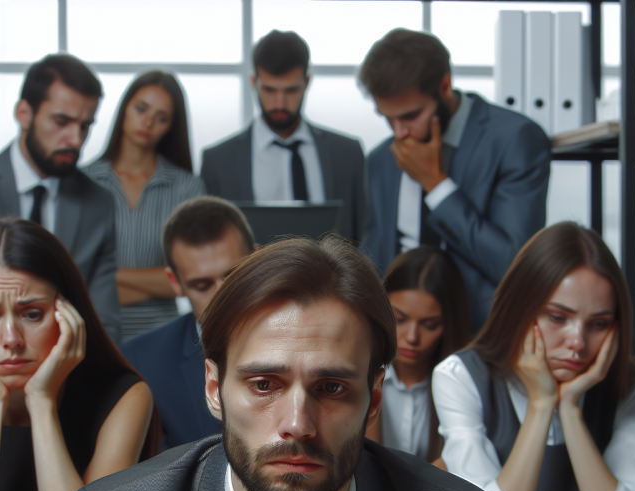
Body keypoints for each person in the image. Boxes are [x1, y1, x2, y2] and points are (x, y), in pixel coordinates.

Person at [57, 235, 514, 491]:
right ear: (214, 390)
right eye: (264, 385)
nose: (298, 423)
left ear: (374, 399)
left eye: (331, 388)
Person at [432, 222, 635, 491]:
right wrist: (542, 405)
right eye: (558, 318)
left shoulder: (628, 386)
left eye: (598, 324)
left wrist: (570, 407)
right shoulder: (460, 376)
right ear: (520, 309)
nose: (578, 343)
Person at [359, 29, 551, 332]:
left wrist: (436, 185)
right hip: (397, 343)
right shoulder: (382, 158)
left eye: (410, 115)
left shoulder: (515, 139)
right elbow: (374, 257)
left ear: (445, 85)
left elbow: (514, 264)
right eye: (387, 118)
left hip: (481, 337)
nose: (399, 133)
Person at [0, 218, 157, 491]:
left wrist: (41, 403)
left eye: (32, 314)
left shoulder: (124, 397)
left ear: (69, 315)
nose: (11, 338)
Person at [0, 54, 121, 343]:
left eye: (85, 126)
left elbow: (104, 323)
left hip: (70, 373)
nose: (76, 140)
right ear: (24, 113)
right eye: (62, 122)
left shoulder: (98, 203)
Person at [200, 30, 366, 242]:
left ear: (307, 82)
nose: (279, 103)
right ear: (253, 82)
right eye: (269, 90)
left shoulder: (347, 154)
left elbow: (362, 235)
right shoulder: (219, 162)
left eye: (290, 90)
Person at [121, 196, 254, 450]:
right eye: (202, 286)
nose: (221, 297)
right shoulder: (142, 360)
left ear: (258, 260)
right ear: (175, 282)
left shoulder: (307, 336)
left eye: (233, 275)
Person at [86, 71, 205, 340]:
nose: (148, 122)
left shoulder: (187, 187)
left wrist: (106, 273)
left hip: (163, 335)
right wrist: (160, 281)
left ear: (171, 126)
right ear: (125, 108)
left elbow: (189, 278)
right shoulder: (84, 181)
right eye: (141, 108)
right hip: (94, 331)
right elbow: (73, 278)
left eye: (162, 117)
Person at [366, 246, 470, 462]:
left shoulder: (463, 384)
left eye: (430, 325)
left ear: (449, 326)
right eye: (400, 319)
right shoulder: (361, 373)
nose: (412, 337)